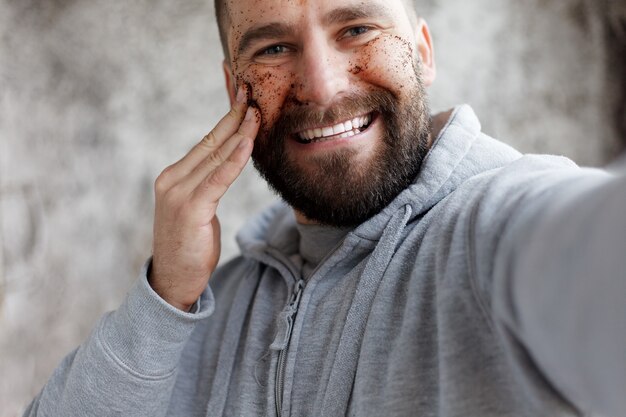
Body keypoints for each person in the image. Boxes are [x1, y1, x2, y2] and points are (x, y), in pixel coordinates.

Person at [24, 0, 625, 416]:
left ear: (422, 51)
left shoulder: (498, 227)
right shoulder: (210, 308)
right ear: (237, 92)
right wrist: (165, 297)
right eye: (275, 46)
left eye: (358, 28)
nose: (323, 83)